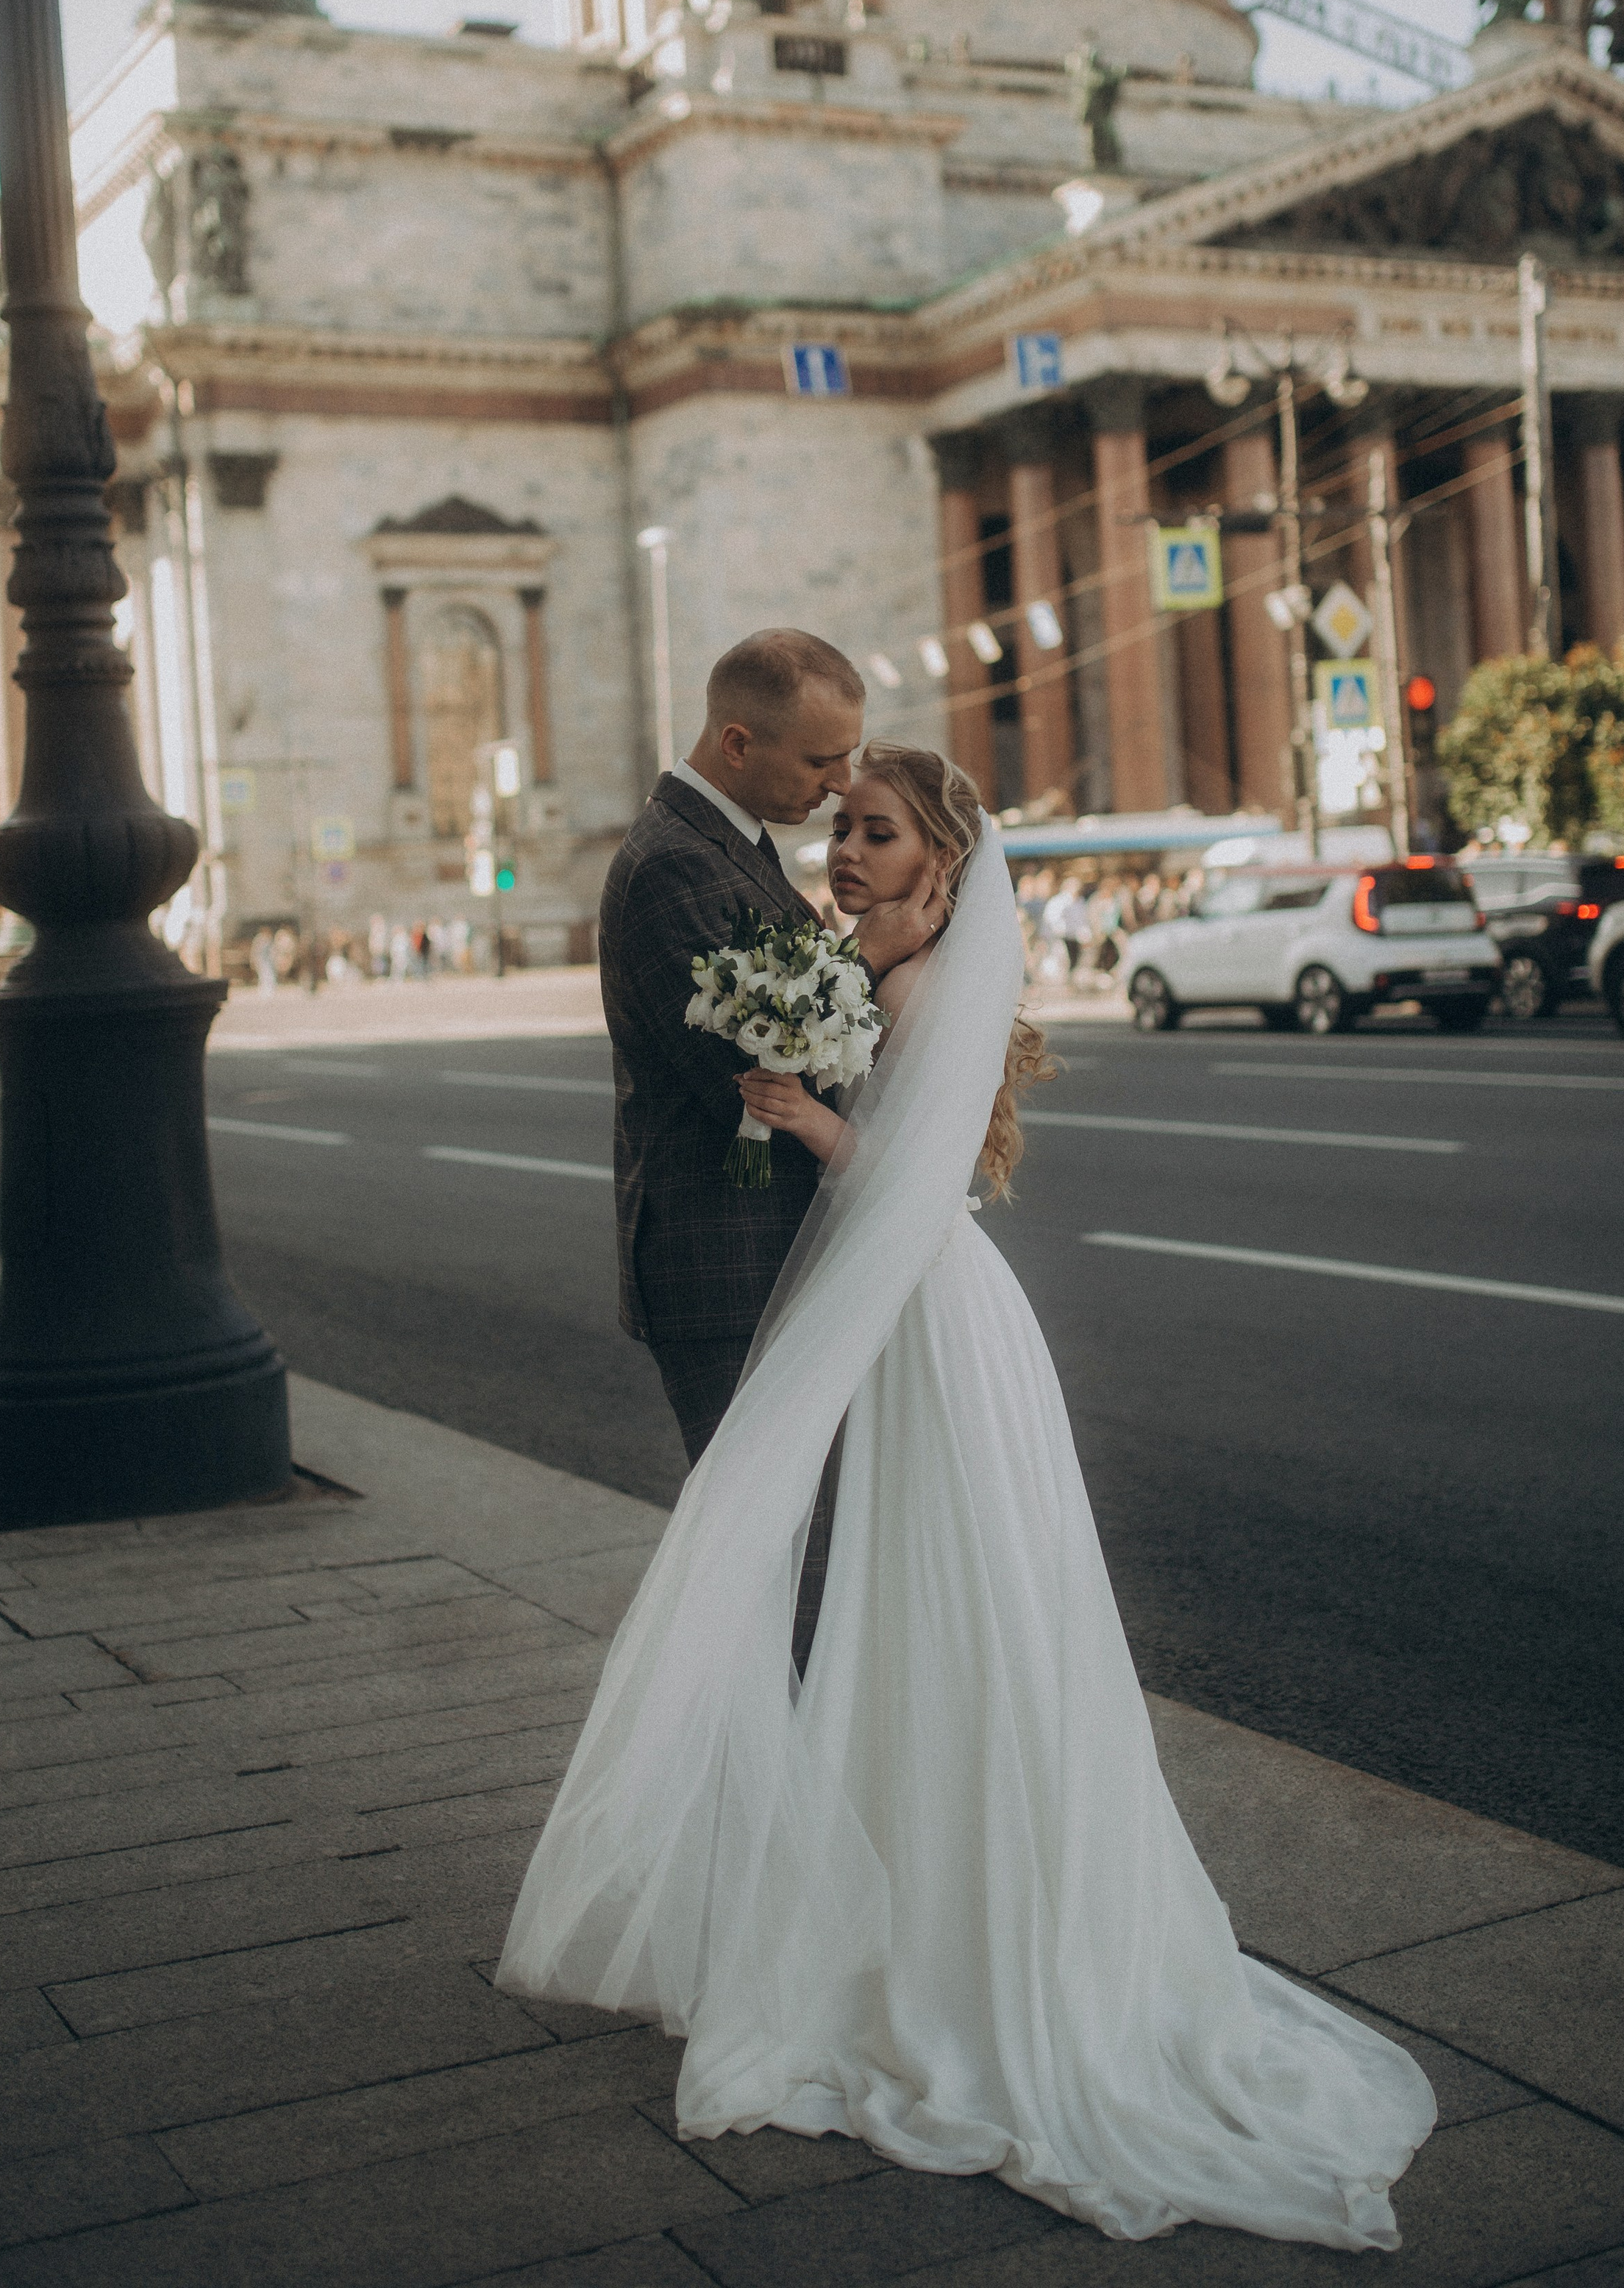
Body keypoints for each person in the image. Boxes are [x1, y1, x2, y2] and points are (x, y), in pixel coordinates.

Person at [501, 740, 1436, 2251]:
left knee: (959, 1614)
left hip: (929, 1316)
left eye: (875, 838)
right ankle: (900, 1910)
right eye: (842, 834)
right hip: (903, 1316)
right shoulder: (863, 968)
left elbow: (913, 1183)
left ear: (945, 870)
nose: (845, 856)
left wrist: (806, 1117)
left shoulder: (934, 987)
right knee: (899, 1622)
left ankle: (976, 1944)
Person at [594, 630, 936, 1666]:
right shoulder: (669, 866)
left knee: (801, 1563)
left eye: (851, 758)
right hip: (723, 1266)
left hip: (762, 1255)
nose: (840, 788)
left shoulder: (732, 850)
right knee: (778, 1573)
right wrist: (869, 951)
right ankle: (760, 1806)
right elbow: (756, 1066)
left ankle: (782, 1798)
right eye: (819, 762)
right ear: (738, 743)